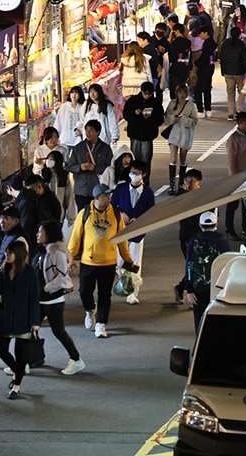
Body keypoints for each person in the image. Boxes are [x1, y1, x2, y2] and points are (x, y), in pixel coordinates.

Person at [68, 185, 136, 339]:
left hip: (108, 263)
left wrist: (128, 259)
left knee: (105, 295)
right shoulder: (85, 214)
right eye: (106, 196)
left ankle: (101, 324)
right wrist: (70, 259)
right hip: (88, 262)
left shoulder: (116, 214)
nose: (109, 199)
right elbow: (75, 238)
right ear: (97, 198)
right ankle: (90, 309)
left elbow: (122, 240)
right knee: (84, 291)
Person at [35, 220, 83, 376]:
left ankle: (76, 360)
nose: (37, 234)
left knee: (58, 331)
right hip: (42, 297)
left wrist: (46, 288)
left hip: (53, 299)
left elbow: (62, 277)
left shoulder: (57, 253)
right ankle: (32, 358)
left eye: (40, 232)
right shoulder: (44, 251)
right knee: (31, 327)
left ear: (48, 234)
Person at [0, 239, 41, 400]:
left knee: (20, 355)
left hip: (24, 319)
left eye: (9, 252)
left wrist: (35, 322)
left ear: (18, 254)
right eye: (6, 252)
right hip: (6, 318)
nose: (6, 255)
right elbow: (0, 294)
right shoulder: (4, 272)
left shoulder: (30, 273)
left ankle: (16, 385)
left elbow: (34, 298)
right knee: (1, 350)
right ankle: (17, 372)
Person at [110, 161, 156, 305]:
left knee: (135, 263)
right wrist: (121, 213)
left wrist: (140, 219)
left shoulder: (148, 193)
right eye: (132, 172)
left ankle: (133, 292)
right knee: (118, 263)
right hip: (121, 232)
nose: (134, 175)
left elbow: (151, 212)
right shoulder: (121, 188)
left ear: (144, 175)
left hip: (138, 233)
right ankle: (124, 281)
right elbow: (112, 206)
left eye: (137, 173)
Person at [183, 211, 234, 332]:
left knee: (200, 322)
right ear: (216, 224)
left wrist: (189, 289)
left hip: (198, 289)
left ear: (200, 225)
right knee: (217, 323)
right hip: (217, 288)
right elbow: (229, 265)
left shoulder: (194, 241)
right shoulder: (222, 241)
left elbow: (189, 266)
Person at [224, 112, 246, 239]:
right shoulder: (233, 139)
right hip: (237, 177)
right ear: (240, 123)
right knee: (233, 204)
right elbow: (231, 161)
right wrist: (234, 178)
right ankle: (230, 228)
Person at [72, 120, 113, 213]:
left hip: (99, 190)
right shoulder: (78, 148)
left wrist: (95, 168)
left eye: (91, 130)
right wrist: (80, 167)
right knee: (82, 215)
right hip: (81, 190)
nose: (88, 133)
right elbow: (70, 166)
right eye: (86, 130)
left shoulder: (106, 148)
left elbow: (110, 168)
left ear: (98, 132)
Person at [163, 83, 198, 191]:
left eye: (184, 92)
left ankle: (181, 182)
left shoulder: (191, 105)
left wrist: (183, 119)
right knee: (173, 159)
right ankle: (172, 185)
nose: (182, 95)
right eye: (180, 92)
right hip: (173, 134)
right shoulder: (172, 103)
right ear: (176, 93)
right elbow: (166, 118)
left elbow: (194, 122)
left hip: (185, 135)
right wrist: (173, 118)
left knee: (182, 160)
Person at [122, 82, 163, 168]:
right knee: (134, 159)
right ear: (141, 91)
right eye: (145, 93)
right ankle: (134, 178)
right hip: (135, 133)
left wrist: (151, 117)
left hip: (148, 134)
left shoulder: (156, 103)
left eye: (149, 94)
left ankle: (145, 179)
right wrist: (134, 113)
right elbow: (126, 115)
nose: (147, 96)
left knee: (146, 159)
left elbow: (160, 120)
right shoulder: (133, 101)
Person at [217, 26, 246, 120]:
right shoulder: (241, 44)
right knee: (242, 92)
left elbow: (221, 57)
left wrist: (223, 71)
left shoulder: (225, 43)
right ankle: (239, 110)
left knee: (230, 93)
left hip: (228, 72)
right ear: (239, 34)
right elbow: (245, 59)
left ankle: (230, 113)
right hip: (240, 72)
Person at [192, 27, 217, 117]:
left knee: (198, 90)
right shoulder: (212, 42)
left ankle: (200, 110)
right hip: (210, 67)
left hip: (204, 68)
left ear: (206, 33)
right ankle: (208, 109)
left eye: (201, 33)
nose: (200, 35)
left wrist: (197, 63)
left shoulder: (208, 43)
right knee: (207, 90)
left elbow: (204, 56)